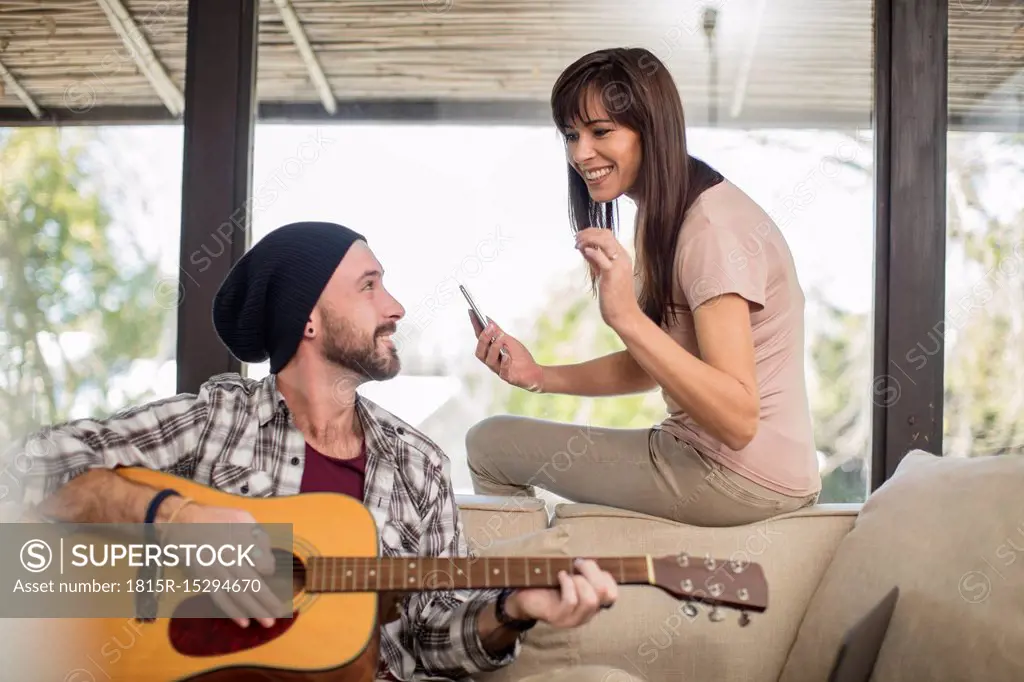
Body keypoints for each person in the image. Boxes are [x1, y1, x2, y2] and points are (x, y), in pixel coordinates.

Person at [2, 221, 642, 682]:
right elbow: (26, 466)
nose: (394, 307)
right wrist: (178, 521)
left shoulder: (418, 463)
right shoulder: (217, 419)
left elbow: (433, 636)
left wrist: (514, 609)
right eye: (369, 286)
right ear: (307, 319)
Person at [465, 47, 822, 528]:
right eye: (571, 135)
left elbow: (738, 421)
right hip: (735, 466)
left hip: (737, 474)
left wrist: (626, 317)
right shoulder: (667, 215)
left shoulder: (710, 231)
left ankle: (516, 598)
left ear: (650, 130)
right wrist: (538, 375)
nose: (580, 153)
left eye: (601, 131)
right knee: (495, 440)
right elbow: (656, 367)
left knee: (491, 446)